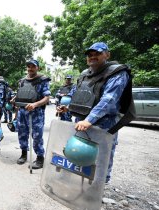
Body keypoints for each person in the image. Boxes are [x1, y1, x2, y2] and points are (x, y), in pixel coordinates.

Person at [57, 42, 134, 183]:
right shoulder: (85, 74)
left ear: (107, 54)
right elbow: (78, 95)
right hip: (82, 122)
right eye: (90, 55)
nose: (92, 57)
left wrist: (89, 120)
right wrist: (67, 108)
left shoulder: (117, 72)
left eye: (97, 53)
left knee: (101, 158)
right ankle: (80, 184)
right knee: (80, 153)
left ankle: (98, 188)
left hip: (104, 124)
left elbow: (109, 100)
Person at [12, 59, 51, 167]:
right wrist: (14, 99)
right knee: (22, 134)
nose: (30, 68)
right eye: (28, 66)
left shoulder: (43, 80)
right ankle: (24, 154)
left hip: (36, 113)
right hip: (22, 112)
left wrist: (35, 104)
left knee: (37, 136)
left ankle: (40, 158)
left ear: (37, 67)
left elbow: (47, 98)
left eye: (33, 66)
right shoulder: (22, 81)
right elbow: (20, 93)